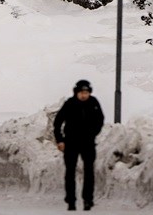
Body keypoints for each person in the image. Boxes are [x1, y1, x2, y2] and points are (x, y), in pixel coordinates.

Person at [53, 79, 105, 211]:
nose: (84, 95)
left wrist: (93, 133)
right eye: (81, 92)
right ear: (76, 93)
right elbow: (57, 122)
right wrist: (60, 140)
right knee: (70, 172)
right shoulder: (70, 104)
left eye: (86, 92)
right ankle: (71, 200)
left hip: (88, 143)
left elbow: (100, 120)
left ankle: (88, 199)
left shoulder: (93, 103)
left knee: (89, 171)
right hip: (71, 143)